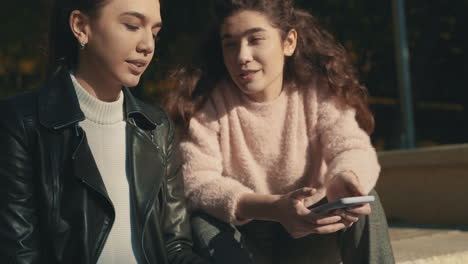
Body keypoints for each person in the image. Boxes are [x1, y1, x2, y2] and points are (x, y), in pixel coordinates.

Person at [164, 0, 395, 263]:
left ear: (289, 42)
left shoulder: (317, 92)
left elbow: (352, 146)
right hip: (246, 244)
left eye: (255, 39)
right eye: (230, 43)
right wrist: (274, 208)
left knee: (366, 202)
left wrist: (344, 178)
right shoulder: (205, 104)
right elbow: (197, 182)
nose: (242, 56)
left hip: (312, 230)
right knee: (201, 223)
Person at [0, 0, 208, 263]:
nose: (147, 45)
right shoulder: (20, 122)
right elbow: (19, 253)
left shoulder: (156, 125)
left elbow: (175, 247)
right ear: (81, 26)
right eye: (132, 26)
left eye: (154, 32)